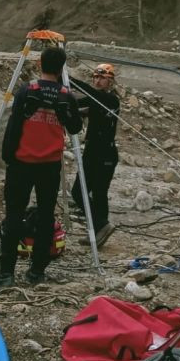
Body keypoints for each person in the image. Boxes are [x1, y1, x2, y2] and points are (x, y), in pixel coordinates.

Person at [0, 46, 83, 288]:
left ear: (40, 64)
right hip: (49, 165)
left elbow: (13, 126)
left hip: (22, 163)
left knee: (14, 215)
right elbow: (75, 128)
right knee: (45, 216)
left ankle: (6, 272)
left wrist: (8, 156)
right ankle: (37, 271)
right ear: (62, 68)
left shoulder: (27, 91)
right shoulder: (65, 95)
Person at [68, 63, 120, 247]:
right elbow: (78, 103)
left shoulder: (111, 100)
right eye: (95, 77)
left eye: (102, 78)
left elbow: (91, 95)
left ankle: (101, 225)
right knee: (87, 193)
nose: (97, 81)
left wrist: (69, 80)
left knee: (91, 193)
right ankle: (100, 229)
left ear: (110, 81)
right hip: (94, 151)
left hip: (104, 153)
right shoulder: (96, 99)